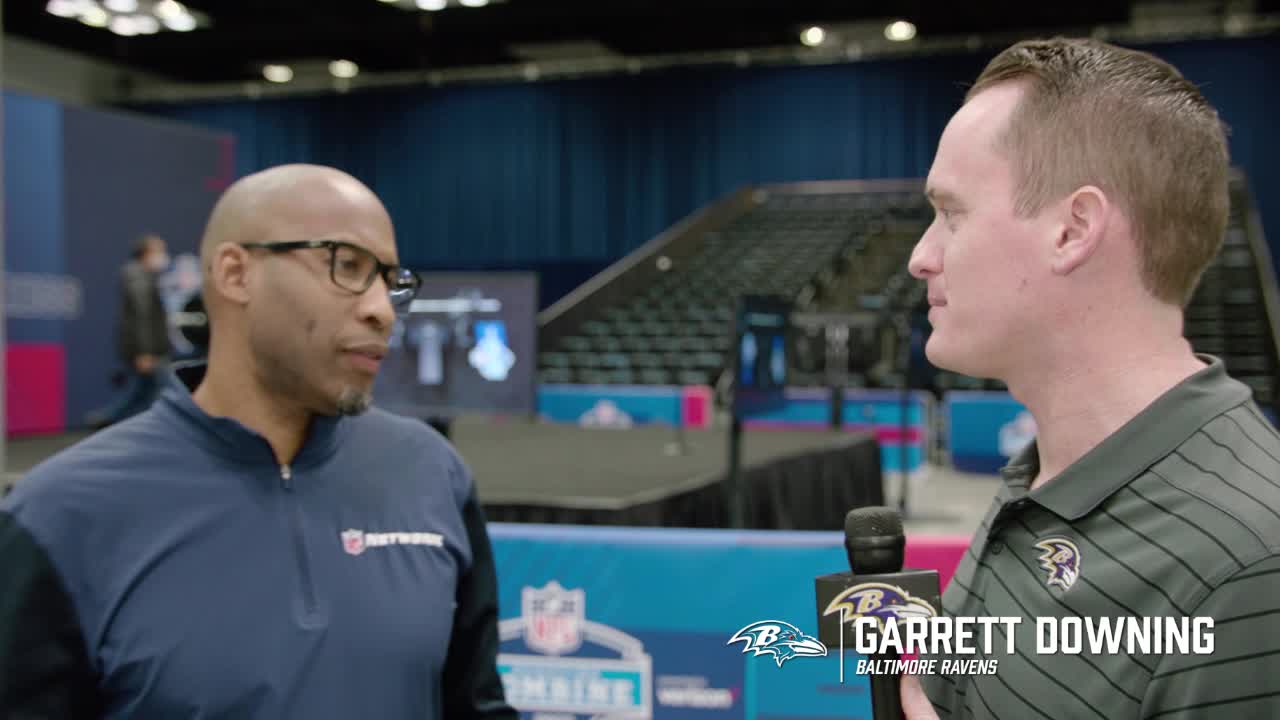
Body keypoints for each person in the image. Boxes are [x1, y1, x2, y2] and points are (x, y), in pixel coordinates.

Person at [0, 164, 517, 719]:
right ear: (235, 273)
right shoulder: (60, 515)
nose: (381, 310)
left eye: (390, 281)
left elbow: (476, 707)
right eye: (346, 266)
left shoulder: (432, 474)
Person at [900, 38, 1280, 718]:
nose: (920, 257)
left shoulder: (1252, 566)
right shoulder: (1046, 474)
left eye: (951, 214)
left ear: (1073, 231)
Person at [87, 233, 173, 426]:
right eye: (159, 250)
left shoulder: (144, 276)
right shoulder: (137, 277)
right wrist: (145, 351)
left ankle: (105, 420)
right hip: (147, 350)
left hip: (150, 349)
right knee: (163, 393)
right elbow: (143, 318)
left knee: (140, 392)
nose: (164, 255)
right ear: (146, 253)